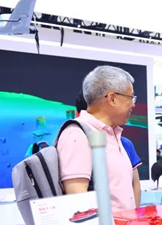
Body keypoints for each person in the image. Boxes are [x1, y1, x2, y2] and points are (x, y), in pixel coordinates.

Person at [58, 66, 137, 211]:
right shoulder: (77, 134)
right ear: (112, 99)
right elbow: (78, 203)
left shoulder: (113, 135)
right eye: (131, 97)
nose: (133, 104)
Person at [75, 90, 142, 207]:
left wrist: (134, 213)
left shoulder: (125, 144)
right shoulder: (78, 138)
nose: (132, 105)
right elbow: (78, 194)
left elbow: (135, 184)